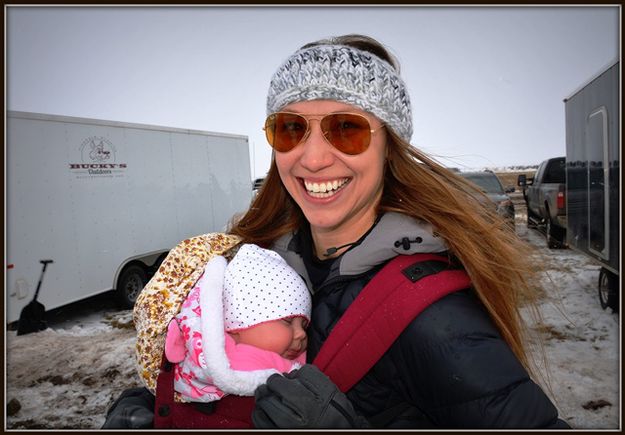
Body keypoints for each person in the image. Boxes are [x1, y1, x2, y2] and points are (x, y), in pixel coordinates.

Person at [103, 33, 571, 429]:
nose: (312, 158)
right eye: (291, 129)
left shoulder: (432, 317)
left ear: (390, 148)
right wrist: (160, 404)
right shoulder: (258, 265)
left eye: (346, 128)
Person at [164, 243, 310, 403]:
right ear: (237, 326)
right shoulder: (236, 361)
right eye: (287, 321)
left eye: (304, 325)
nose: (302, 334)